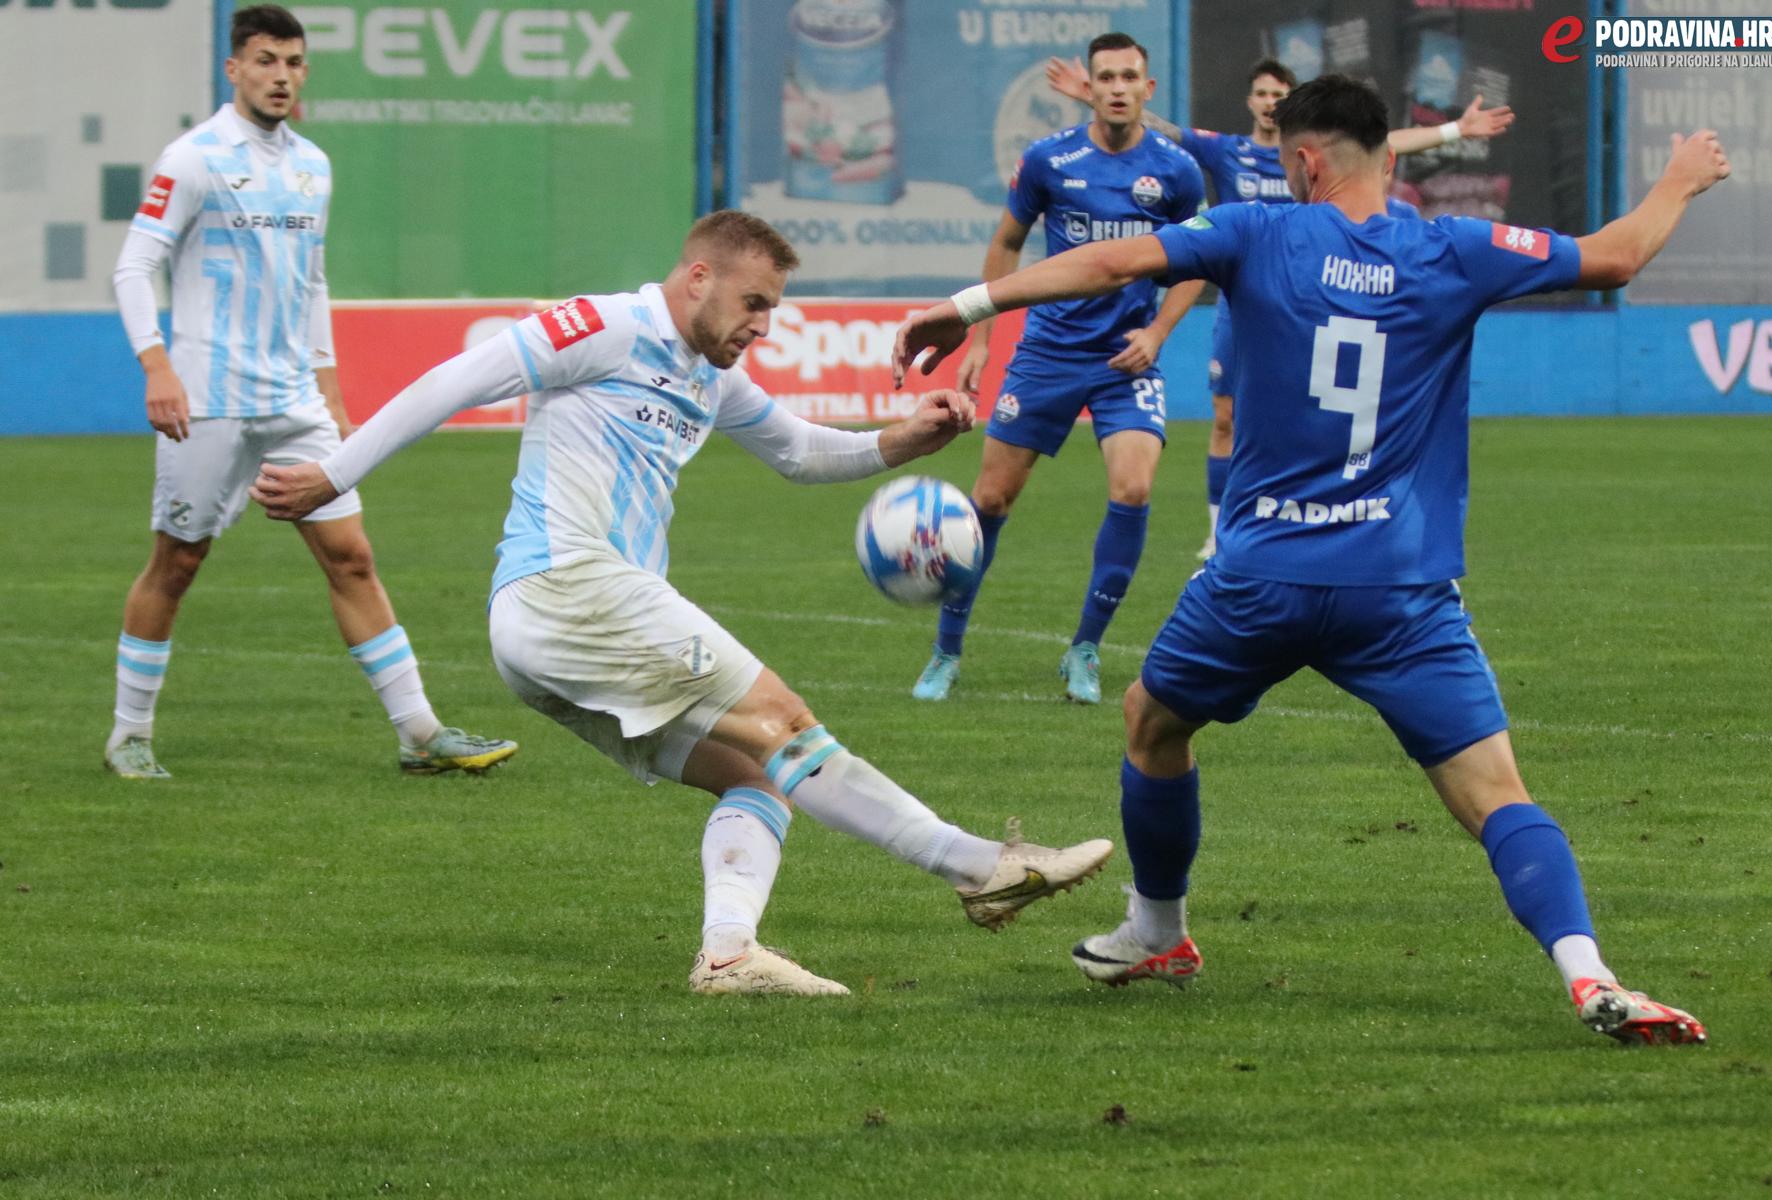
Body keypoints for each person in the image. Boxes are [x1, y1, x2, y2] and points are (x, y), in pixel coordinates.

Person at [893, 75, 1728, 1044]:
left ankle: (1158, 930)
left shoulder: (1256, 231)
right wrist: (1676, 180)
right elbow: (1616, 258)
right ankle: (1591, 978)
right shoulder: (1453, 250)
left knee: (1152, 724)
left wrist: (970, 305)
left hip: (1260, 581)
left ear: (1304, 160)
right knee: (1498, 795)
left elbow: (1109, 262)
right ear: (1383, 152)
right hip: (1400, 591)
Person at [251, 210, 1115, 997]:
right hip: (571, 588)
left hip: (552, 634)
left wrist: (905, 441)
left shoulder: (711, 372)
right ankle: (978, 867)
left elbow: (804, 454)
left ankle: (729, 955)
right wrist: (334, 473)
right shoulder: (606, 325)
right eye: (754, 302)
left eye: (773, 310)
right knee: (785, 722)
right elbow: (455, 379)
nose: (763, 325)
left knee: (758, 777)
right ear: (698, 277)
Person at [104, 5, 515, 780]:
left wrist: (329, 387)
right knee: (179, 561)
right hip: (210, 397)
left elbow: (311, 283)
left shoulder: (314, 165)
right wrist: (157, 366)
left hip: (294, 400)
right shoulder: (192, 159)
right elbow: (134, 266)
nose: (282, 76)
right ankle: (128, 733)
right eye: (265, 61)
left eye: (293, 62)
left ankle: (419, 732)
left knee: (351, 557)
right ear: (234, 69)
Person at [1046, 55, 1513, 557]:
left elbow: (1382, 145)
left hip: (1309, 293)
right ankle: (1219, 528)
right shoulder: (1230, 153)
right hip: (1245, 303)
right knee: (1225, 417)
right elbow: (1166, 131)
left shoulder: (1319, 148)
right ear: (1251, 101)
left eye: (1278, 94)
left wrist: (1453, 129)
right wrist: (1091, 99)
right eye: (1263, 94)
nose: (1269, 103)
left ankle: (1311, 519)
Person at [911, 32, 1209, 707]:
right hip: (1046, 355)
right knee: (989, 501)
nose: (1117, 87)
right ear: (1092, 87)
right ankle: (946, 650)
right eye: (1105, 76)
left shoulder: (1177, 171)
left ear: (1148, 88)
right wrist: (982, 342)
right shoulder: (1049, 161)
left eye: (1129, 76)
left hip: (1124, 360)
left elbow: (1200, 260)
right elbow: (1006, 245)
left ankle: (1085, 649)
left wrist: (1158, 331)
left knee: (1133, 489)